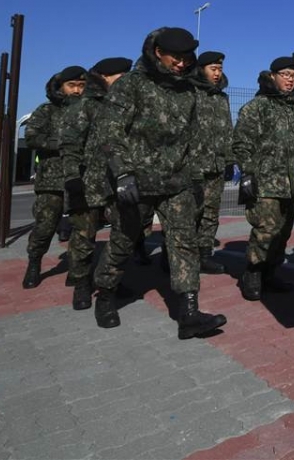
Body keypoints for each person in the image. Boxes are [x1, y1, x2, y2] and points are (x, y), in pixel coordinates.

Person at [93, 27, 227, 341]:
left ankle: (189, 312)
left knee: (184, 244)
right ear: (157, 53)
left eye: (186, 57)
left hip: (177, 181)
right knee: (124, 240)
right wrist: (123, 173)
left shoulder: (189, 91)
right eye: (175, 57)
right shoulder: (132, 86)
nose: (182, 63)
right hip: (137, 181)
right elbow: (109, 132)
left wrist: (195, 178)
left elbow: (195, 139)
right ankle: (107, 294)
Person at [232, 52, 294, 300]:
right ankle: (253, 273)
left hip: (290, 184)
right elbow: (241, 143)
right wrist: (248, 173)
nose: (291, 80)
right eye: (286, 75)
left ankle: (270, 274)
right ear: (273, 76)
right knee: (265, 230)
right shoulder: (258, 107)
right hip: (265, 184)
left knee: (283, 232)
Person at [60, 57, 133, 310]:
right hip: (89, 183)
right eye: (120, 76)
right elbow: (70, 146)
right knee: (83, 237)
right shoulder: (85, 106)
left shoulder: (127, 105)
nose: (126, 80)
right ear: (104, 77)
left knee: (122, 235)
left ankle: (110, 281)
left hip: (118, 183)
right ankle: (81, 285)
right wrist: (72, 178)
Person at [22, 66, 86, 289]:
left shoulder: (89, 110)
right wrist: (61, 143)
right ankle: (34, 262)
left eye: (81, 86)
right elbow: (31, 138)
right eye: (72, 85)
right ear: (60, 87)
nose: (77, 90)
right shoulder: (46, 111)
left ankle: (77, 270)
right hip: (52, 181)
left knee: (82, 228)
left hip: (81, 179)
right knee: (45, 226)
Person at [191, 50, 232, 275]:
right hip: (194, 166)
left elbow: (227, 130)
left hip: (216, 164)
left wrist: (229, 160)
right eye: (213, 69)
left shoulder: (222, 98)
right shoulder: (191, 93)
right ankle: (177, 256)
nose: (217, 73)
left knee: (210, 212)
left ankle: (205, 255)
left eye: (220, 69)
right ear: (201, 69)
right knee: (190, 212)